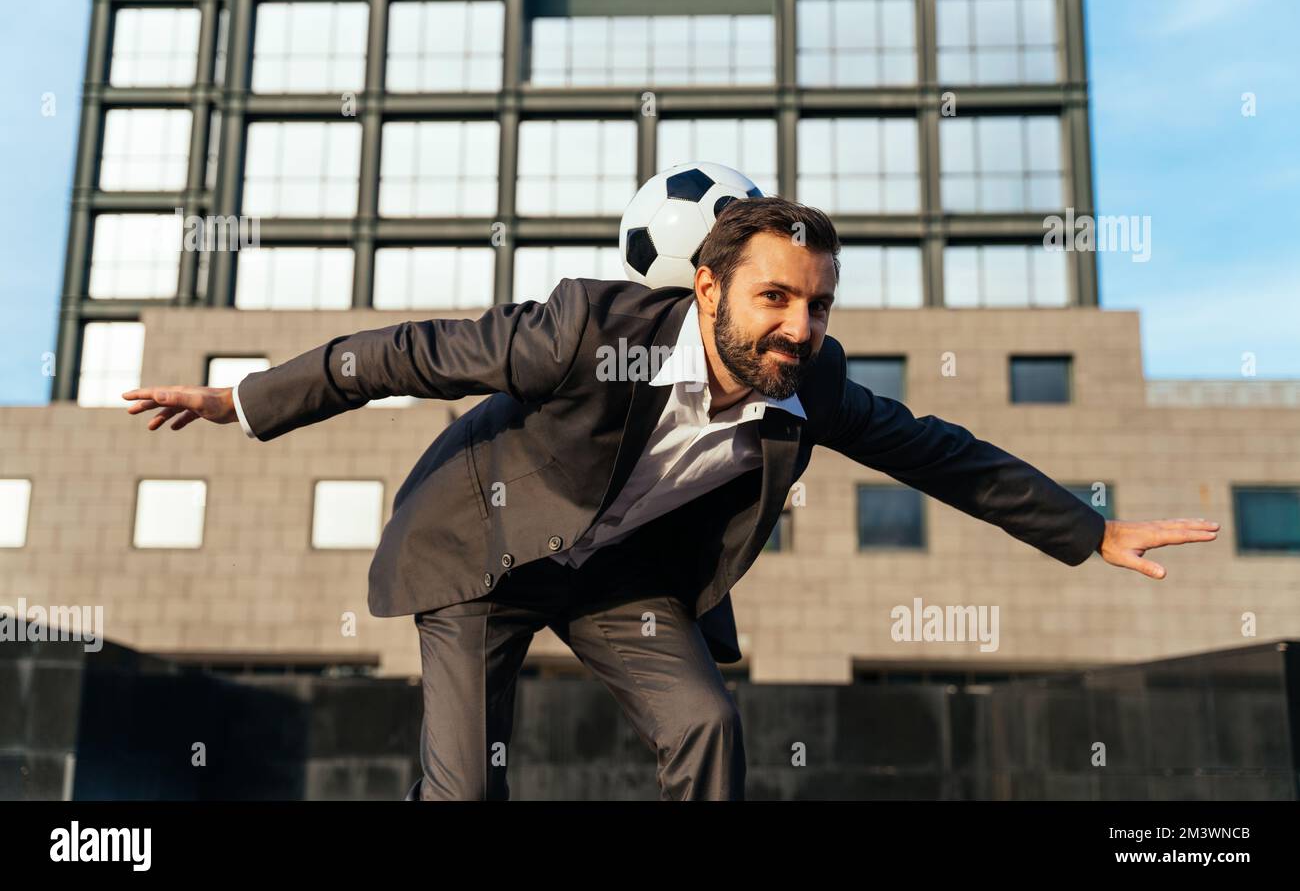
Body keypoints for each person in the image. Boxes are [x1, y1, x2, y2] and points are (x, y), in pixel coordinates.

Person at [123, 197, 1219, 800]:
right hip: (483, 549)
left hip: (623, 580)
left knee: (704, 724)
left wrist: (1092, 529)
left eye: (818, 305)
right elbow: (413, 353)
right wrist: (244, 399)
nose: (799, 326)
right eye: (775, 298)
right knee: (462, 786)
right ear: (707, 289)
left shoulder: (810, 386)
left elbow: (941, 454)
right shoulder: (591, 332)